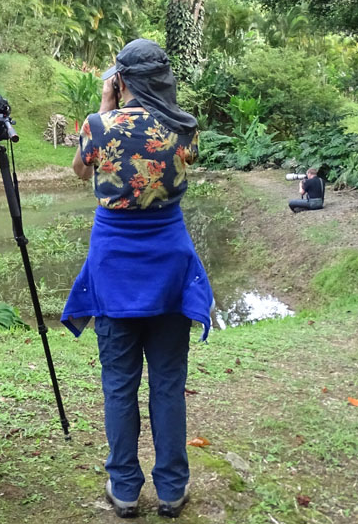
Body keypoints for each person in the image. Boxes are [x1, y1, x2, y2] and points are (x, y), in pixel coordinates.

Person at [62, 39, 214, 519]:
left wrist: (107, 106)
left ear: (120, 79)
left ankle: (124, 488)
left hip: (115, 265)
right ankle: (172, 489)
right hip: (169, 259)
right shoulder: (183, 126)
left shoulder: (98, 126)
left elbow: (76, 171)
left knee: (119, 382)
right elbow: (185, 163)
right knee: (169, 382)